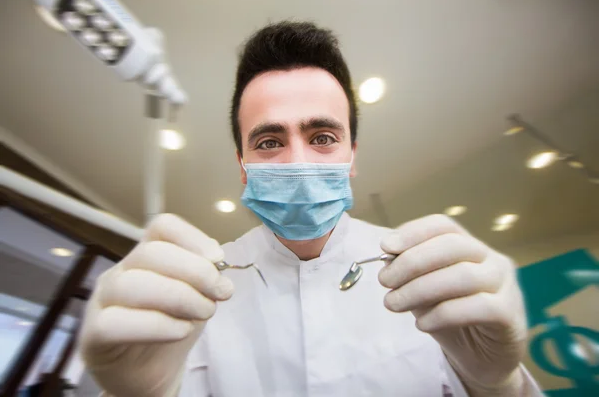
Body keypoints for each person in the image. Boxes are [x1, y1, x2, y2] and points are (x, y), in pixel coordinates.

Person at [79, 22, 543, 397]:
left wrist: (497, 386)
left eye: (322, 137)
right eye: (269, 141)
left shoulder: (424, 276)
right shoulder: (196, 288)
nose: (298, 162)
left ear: (352, 156)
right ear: (243, 167)